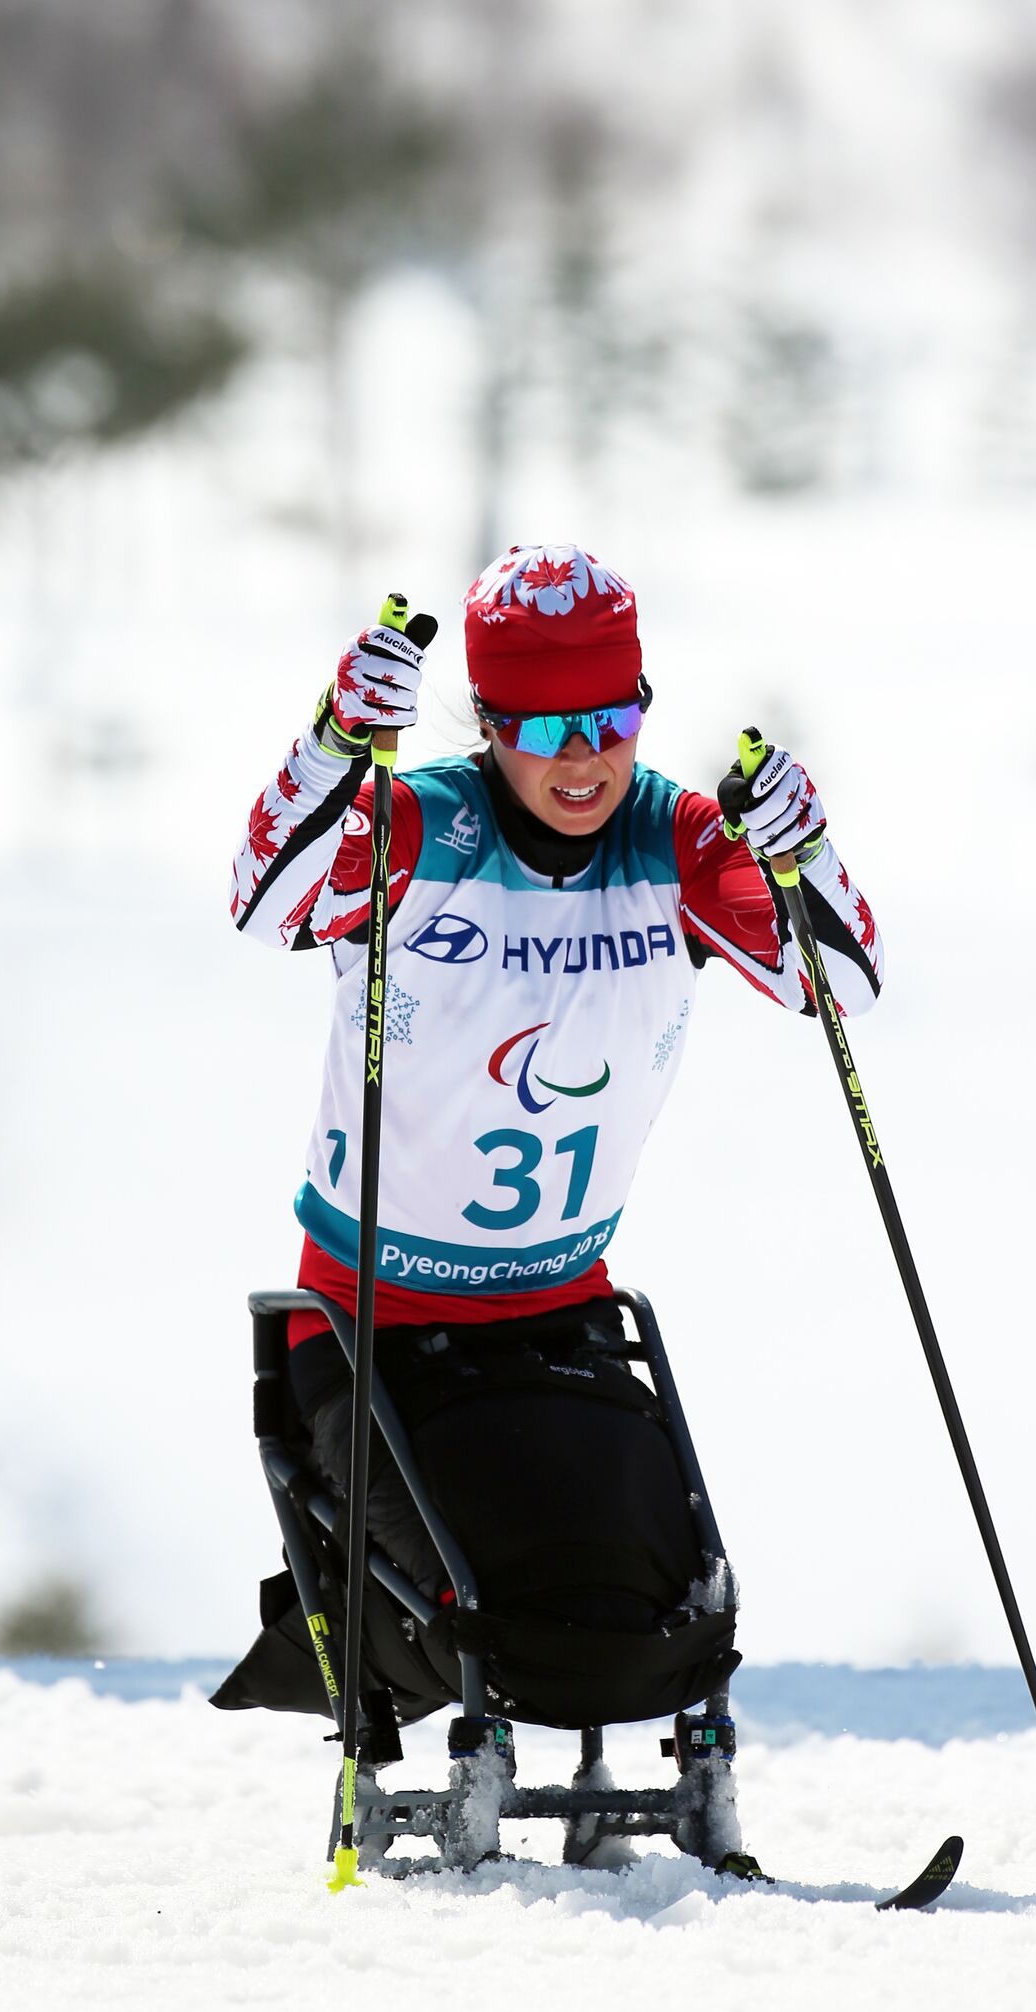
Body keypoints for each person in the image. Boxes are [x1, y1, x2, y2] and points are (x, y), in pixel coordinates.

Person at [228, 541, 882, 1643]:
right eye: (540, 730)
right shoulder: (417, 825)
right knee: (481, 1620)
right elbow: (264, 903)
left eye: (610, 721)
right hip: (372, 1320)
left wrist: (800, 850)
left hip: (559, 1311)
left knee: (658, 1616)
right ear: (488, 721)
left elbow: (841, 985)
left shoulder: (674, 840)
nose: (581, 760)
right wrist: (334, 742)